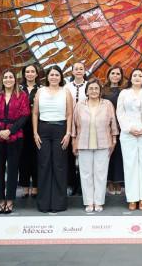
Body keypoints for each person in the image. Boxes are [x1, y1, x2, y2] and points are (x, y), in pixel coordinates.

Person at [0, 69, 30, 214]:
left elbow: (24, 116)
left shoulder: (22, 95)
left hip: (15, 136)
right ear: (2, 80)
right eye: (5, 77)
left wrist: (10, 131)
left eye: (11, 77)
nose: (8, 79)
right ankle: (1, 201)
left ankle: (10, 200)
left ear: (15, 80)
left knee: (12, 170)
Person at [73, 79, 118, 213]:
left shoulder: (107, 104)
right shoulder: (80, 105)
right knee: (86, 174)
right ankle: (89, 202)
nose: (93, 91)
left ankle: (98, 202)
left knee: (101, 174)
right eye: (91, 88)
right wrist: (73, 141)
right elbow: (74, 124)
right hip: (83, 143)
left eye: (96, 88)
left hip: (104, 143)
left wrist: (114, 139)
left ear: (100, 91)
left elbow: (113, 123)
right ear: (86, 91)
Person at [33, 65, 73, 213]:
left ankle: (58, 203)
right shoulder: (40, 91)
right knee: (44, 165)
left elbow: (70, 114)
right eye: (51, 75)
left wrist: (68, 133)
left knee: (59, 165)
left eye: (57, 75)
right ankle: (44, 204)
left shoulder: (66, 91)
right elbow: (35, 113)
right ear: (47, 77)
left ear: (60, 77)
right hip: (43, 130)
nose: (54, 77)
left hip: (61, 130)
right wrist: (35, 133)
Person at [117, 68, 142, 210]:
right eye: (134, 75)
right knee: (130, 165)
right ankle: (132, 198)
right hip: (128, 133)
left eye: (140, 75)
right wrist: (129, 128)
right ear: (130, 78)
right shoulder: (124, 93)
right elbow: (120, 113)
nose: (137, 77)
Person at [19, 64, 41, 198]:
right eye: (27, 71)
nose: (30, 74)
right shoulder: (19, 88)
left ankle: (36, 185)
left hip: (37, 126)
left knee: (36, 157)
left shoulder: (41, 89)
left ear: (37, 74)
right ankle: (25, 185)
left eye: (33, 71)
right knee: (23, 157)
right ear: (24, 74)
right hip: (21, 126)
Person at [65, 61, 88, 196]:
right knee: (69, 155)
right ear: (72, 72)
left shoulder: (89, 86)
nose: (79, 71)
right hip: (69, 123)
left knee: (84, 156)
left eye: (81, 69)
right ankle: (71, 184)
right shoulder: (67, 87)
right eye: (76, 69)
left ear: (84, 71)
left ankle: (82, 185)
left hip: (85, 124)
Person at [103, 65, 125, 195]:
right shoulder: (103, 91)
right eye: (113, 73)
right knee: (108, 154)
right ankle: (109, 181)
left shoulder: (124, 91)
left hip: (121, 126)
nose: (115, 76)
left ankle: (118, 181)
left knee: (118, 155)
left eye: (118, 74)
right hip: (106, 126)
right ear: (108, 75)